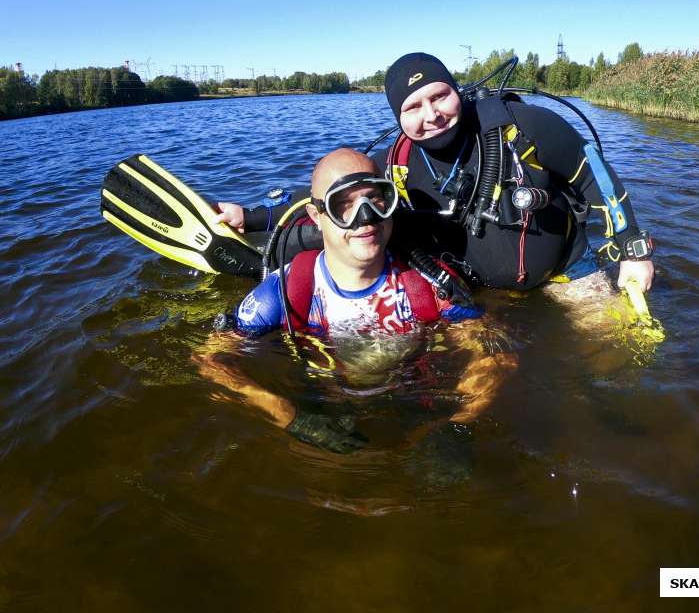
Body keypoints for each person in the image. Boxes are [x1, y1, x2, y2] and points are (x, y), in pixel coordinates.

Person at [217, 53, 654, 296]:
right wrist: (253, 218)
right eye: (413, 107)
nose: (431, 115)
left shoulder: (524, 126)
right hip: (473, 292)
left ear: (456, 92)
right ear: (398, 115)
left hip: (565, 272)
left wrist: (630, 246)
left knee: (613, 361)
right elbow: (334, 200)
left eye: (440, 96)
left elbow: (594, 173)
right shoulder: (397, 162)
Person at [197, 148, 516, 460]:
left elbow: (495, 354)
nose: (365, 218)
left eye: (376, 199)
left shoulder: (428, 284)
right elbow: (211, 358)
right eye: (342, 205)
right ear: (317, 217)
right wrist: (287, 414)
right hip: (322, 407)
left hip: (417, 410)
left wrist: (458, 422)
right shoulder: (286, 290)